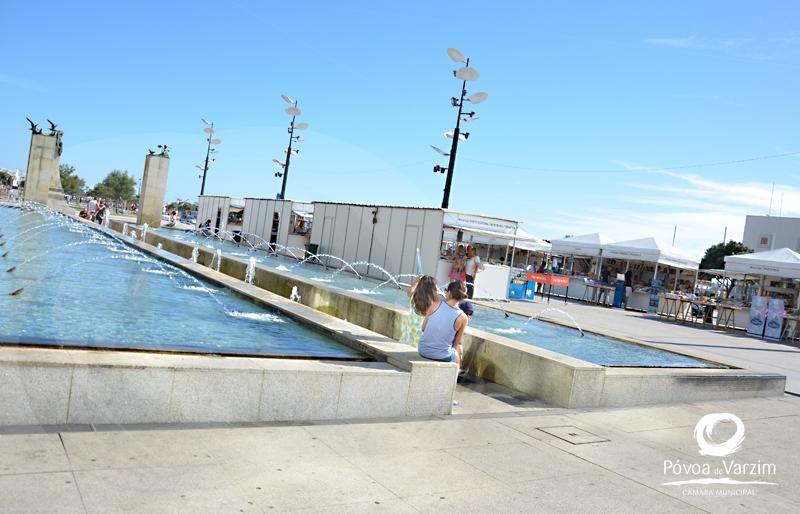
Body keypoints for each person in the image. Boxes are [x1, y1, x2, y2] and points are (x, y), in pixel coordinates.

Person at [409, 276, 468, 367]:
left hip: (423, 350)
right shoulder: (463, 317)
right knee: (458, 353)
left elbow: (424, 328)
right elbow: (456, 343)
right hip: (442, 355)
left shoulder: (435, 304)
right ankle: (454, 378)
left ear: (449, 293)